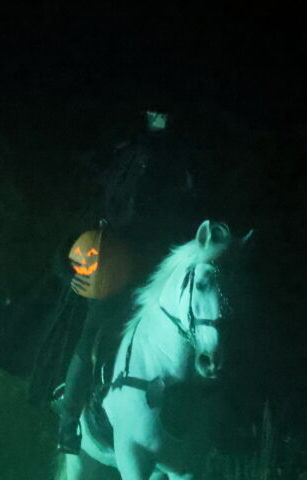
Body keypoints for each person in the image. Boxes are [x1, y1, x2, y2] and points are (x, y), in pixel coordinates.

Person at [46, 108, 200, 454]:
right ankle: (69, 422)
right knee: (92, 334)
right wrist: (70, 271)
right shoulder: (124, 162)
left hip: (157, 267)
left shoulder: (179, 165)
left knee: (200, 327)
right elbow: (79, 231)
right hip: (114, 272)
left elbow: (185, 218)